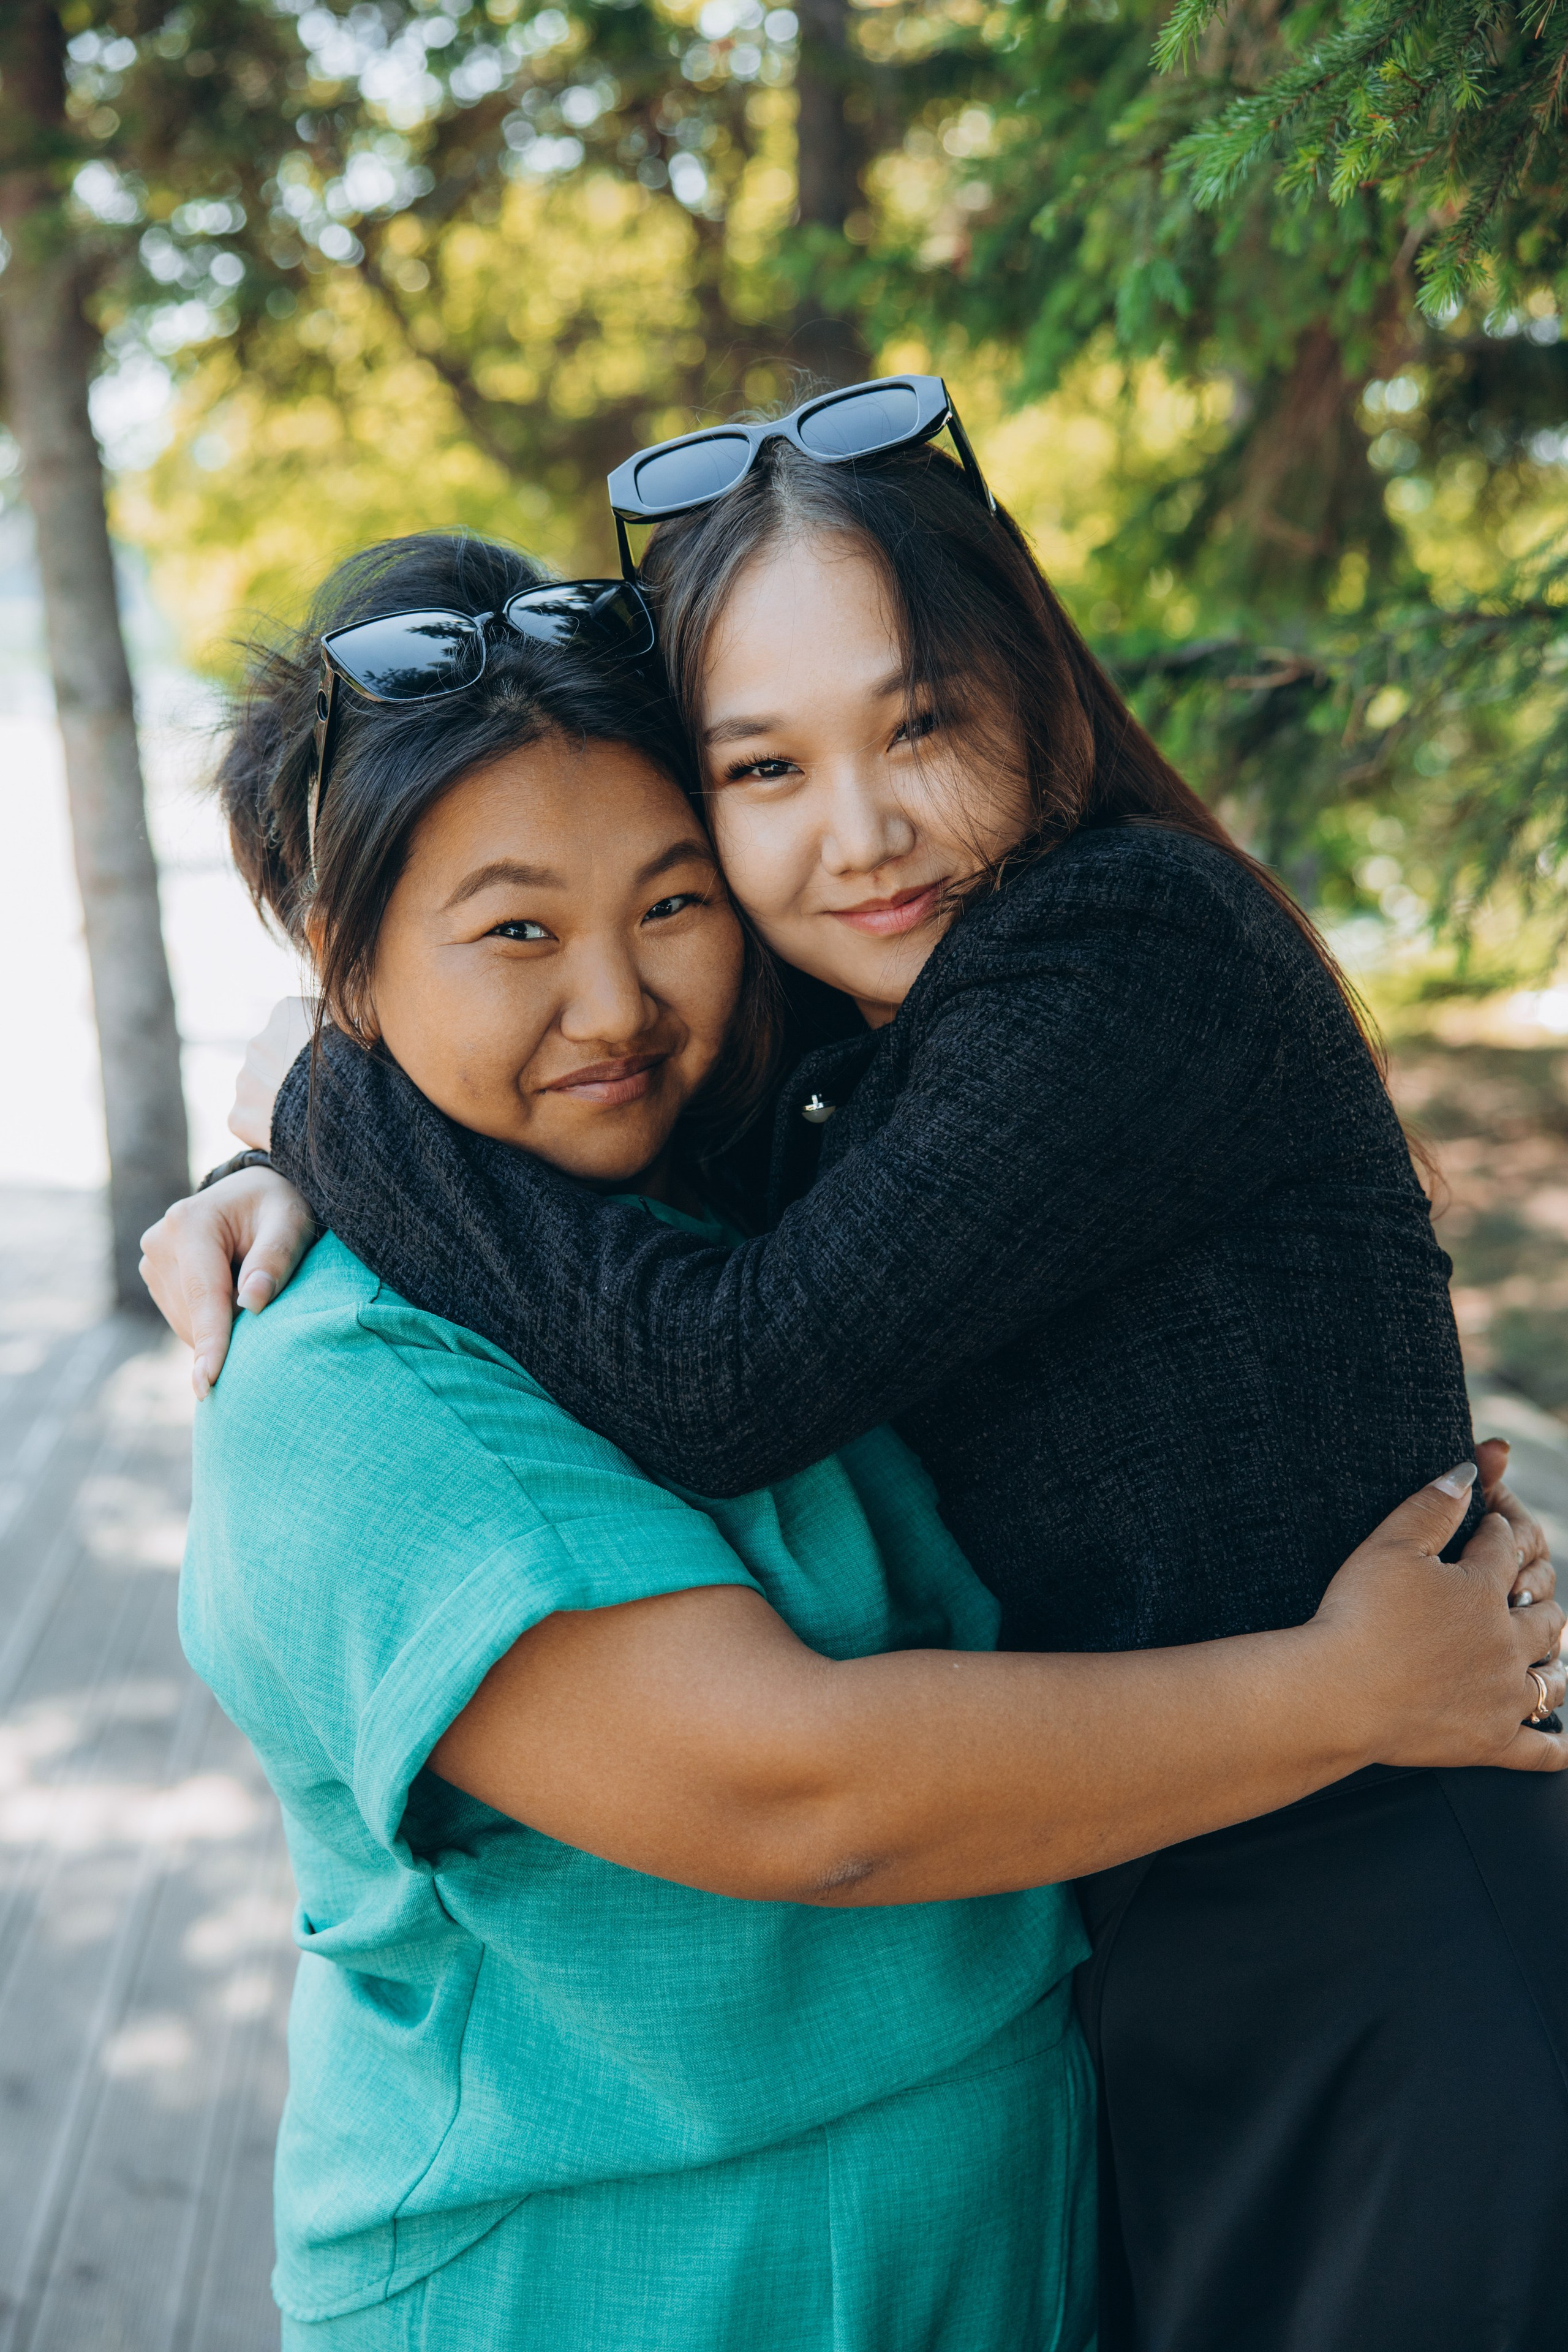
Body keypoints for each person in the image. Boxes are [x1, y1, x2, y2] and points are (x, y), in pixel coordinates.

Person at [149, 402, 1568, 2351]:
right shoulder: (788, 1093)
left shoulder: (1095, 953)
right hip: (1053, 2028)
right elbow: (799, 1763)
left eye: (922, 721)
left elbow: (724, 1370)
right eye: (764, 768)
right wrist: (299, 1124)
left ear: (1044, 692)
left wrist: (335, 1101)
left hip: (1363, 1930)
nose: (861, 826)